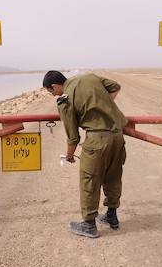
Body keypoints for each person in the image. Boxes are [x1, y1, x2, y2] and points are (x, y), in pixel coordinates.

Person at [43, 70, 128, 238]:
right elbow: (116, 86)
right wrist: (102, 105)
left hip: (97, 142)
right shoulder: (89, 77)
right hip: (118, 138)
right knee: (113, 177)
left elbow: (73, 137)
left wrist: (69, 156)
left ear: (54, 86)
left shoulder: (65, 100)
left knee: (89, 181)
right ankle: (112, 216)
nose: (53, 95)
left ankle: (89, 225)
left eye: (51, 92)